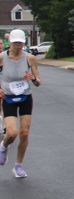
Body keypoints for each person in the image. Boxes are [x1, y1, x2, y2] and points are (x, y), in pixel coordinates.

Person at [0, 29, 41, 178]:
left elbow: (38, 82)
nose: (18, 46)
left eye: (21, 43)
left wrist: (33, 78)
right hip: (8, 98)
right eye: (15, 43)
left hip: (25, 97)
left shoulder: (30, 58)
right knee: (12, 133)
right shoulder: (2, 58)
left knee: (24, 133)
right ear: (10, 42)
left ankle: (18, 166)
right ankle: (3, 146)